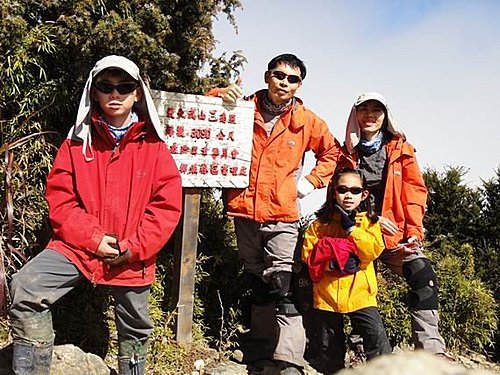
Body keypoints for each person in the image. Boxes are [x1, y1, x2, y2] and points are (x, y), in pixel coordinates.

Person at [8, 55, 183, 375]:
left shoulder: (155, 148)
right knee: (25, 288)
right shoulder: (76, 143)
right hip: (77, 247)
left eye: (124, 86)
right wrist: (93, 238)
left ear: (137, 94)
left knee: (135, 327)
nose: (115, 94)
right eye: (106, 86)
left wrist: (132, 247)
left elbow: (166, 207)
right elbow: (61, 200)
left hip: (132, 252)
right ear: (94, 92)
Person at [207, 53, 340, 374]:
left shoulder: (306, 120)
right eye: (279, 75)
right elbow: (199, 111)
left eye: (292, 79)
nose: (284, 83)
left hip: (282, 214)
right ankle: (260, 350)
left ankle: (288, 358)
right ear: (267, 76)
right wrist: (218, 95)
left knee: (282, 282)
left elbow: (332, 152)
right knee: (257, 280)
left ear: (299, 85)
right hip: (242, 210)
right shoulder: (242, 106)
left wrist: (310, 183)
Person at [336, 92, 447, 356]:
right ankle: (360, 348)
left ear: (386, 117)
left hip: (395, 234)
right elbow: (339, 197)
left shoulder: (401, 151)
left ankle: (432, 351)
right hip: (359, 234)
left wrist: (414, 233)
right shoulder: (346, 154)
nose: (370, 115)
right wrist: (371, 221)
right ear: (355, 115)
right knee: (356, 282)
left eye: (377, 110)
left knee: (422, 273)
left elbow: (414, 194)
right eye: (364, 109)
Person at [302, 167, 392, 374]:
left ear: (364, 194)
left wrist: (352, 229)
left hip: (361, 295)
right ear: (334, 191)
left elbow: (371, 251)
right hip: (327, 296)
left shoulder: (369, 223)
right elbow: (307, 256)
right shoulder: (319, 225)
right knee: (330, 356)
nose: (348, 195)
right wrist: (332, 265)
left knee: (379, 347)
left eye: (355, 190)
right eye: (342, 189)